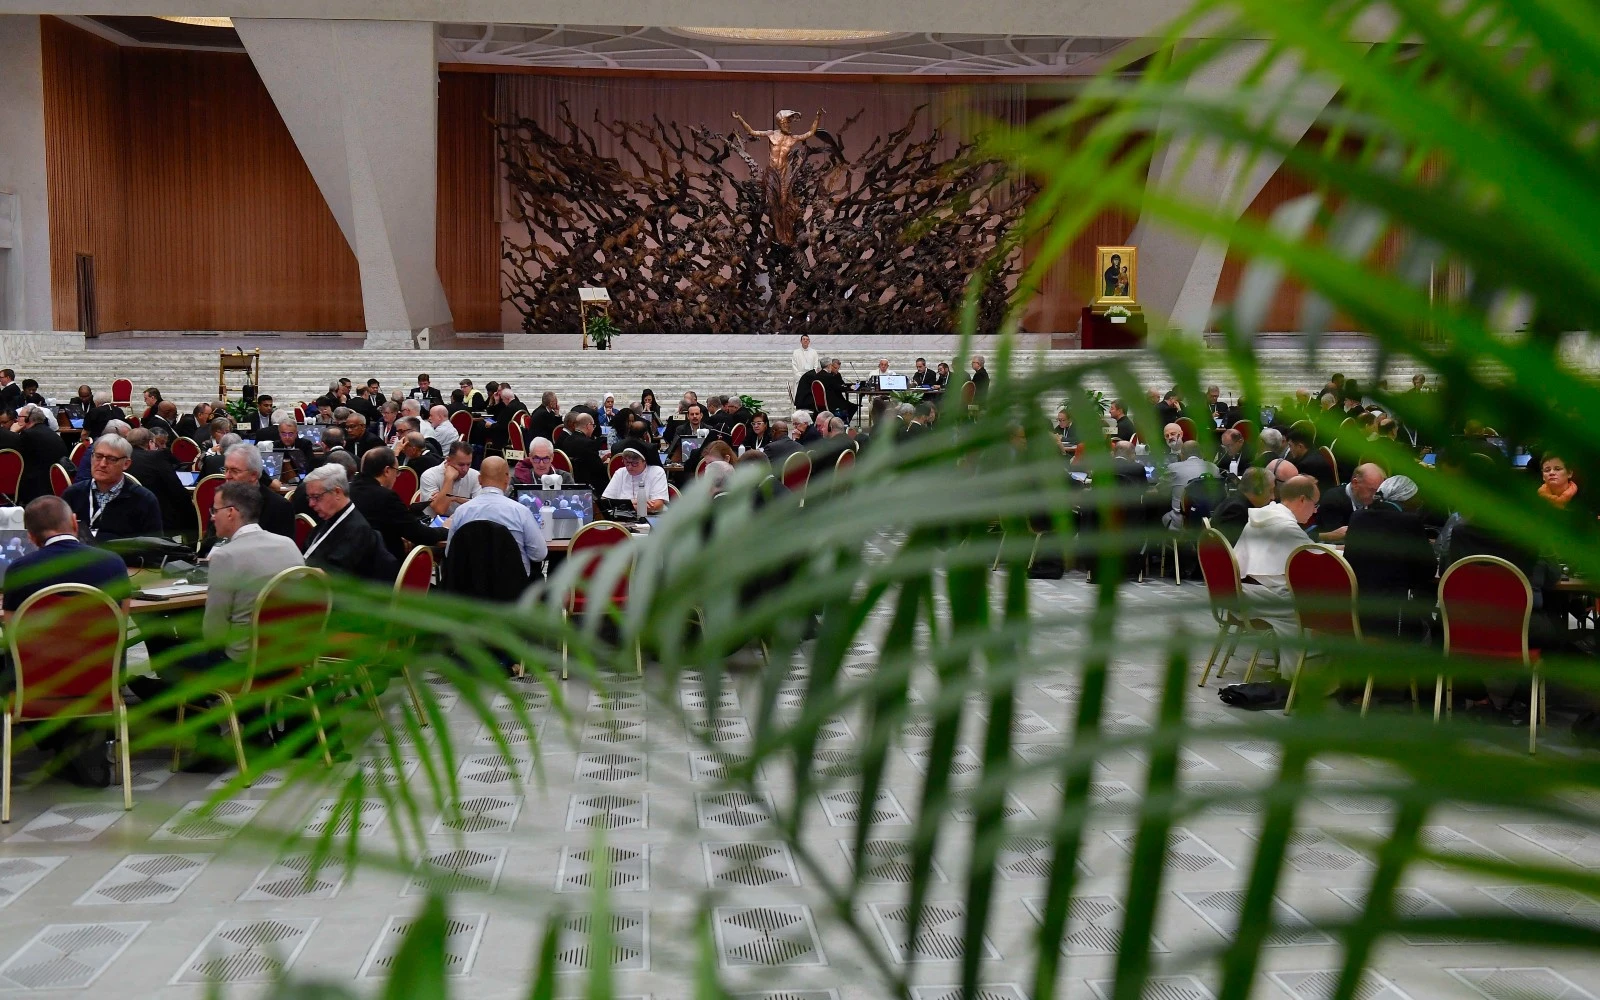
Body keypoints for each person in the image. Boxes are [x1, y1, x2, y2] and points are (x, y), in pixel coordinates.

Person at [1343, 475, 1436, 642]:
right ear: (1406, 500)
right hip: (1395, 616)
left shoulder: (1357, 517)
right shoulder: (1409, 522)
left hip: (1358, 612)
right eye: (1417, 500)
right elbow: (1427, 570)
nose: (1419, 505)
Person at [1232, 474, 1321, 637]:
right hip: (1259, 598)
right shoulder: (1286, 527)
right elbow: (1317, 559)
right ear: (1302, 499)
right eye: (1315, 504)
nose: (1315, 510)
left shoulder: (1265, 514)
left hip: (1240, 591)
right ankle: (1303, 661)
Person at [447, 457, 548, 576]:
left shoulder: (461, 512)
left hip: (470, 588)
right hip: (514, 588)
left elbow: (450, 553)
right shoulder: (521, 512)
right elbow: (539, 555)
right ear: (507, 479)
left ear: (479, 479)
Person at [300, 464, 398, 582]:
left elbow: (334, 577)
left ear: (337, 492)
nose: (311, 504)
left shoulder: (357, 530)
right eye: (309, 498)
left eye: (316, 497)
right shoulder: (328, 520)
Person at [348, 447, 449, 560]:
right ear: (387, 471)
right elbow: (419, 534)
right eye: (397, 472)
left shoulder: (349, 489)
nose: (396, 477)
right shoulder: (386, 496)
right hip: (380, 564)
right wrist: (446, 529)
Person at [62, 434, 164, 545]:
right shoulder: (73, 494)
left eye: (111, 459)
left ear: (126, 464)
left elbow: (154, 548)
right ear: (91, 458)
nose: (102, 464)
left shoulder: (144, 500)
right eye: (98, 456)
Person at [126, 428, 195, 539]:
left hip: (127, 515)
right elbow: (177, 491)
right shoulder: (156, 457)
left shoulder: (121, 458)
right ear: (150, 443)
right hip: (158, 517)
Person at [1314, 463, 1386, 542]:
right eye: (1371, 490)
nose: (1375, 496)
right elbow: (1336, 541)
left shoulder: (1377, 499)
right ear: (1355, 483)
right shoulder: (1332, 501)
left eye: (1378, 491)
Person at [16, 405, 68, 504]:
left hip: (37, 487)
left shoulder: (28, 434)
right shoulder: (50, 432)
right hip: (54, 483)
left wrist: (12, 432)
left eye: (20, 417)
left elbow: (17, 459)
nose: (17, 419)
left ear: (28, 419)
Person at [1209, 466, 1273, 545]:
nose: (1272, 497)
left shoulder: (1235, 501)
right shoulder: (1237, 510)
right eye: (1270, 491)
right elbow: (1235, 548)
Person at [602, 442, 669, 514]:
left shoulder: (657, 472)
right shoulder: (620, 472)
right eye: (627, 462)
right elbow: (605, 502)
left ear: (644, 461)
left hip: (650, 517)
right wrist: (634, 502)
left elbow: (657, 505)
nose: (630, 467)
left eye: (635, 463)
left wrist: (622, 506)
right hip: (621, 519)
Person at [418, 440, 480, 516]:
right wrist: (449, 479)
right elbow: (440, 509)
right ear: (448, 460)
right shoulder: (429, 475)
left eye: (468, 464)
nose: (465, 469)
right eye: (461, 465)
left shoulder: (475, 475)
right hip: (433, 523)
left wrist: (456, 498)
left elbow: (480, 506)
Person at [558, 413, 609, 493]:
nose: (593, 428)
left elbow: (583, 460)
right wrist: (607, 464)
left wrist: (600, 460)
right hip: (589, 484)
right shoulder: (589, 443)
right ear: (588, 426)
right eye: (593, 426)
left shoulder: (567, 440)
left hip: (573, 479)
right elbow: (599, 470)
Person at [1285, 426, 1337, 491]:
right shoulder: (1314, 450)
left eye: (1290, 445)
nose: (1290, 449)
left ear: (1300, 446)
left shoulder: (1306, 465)